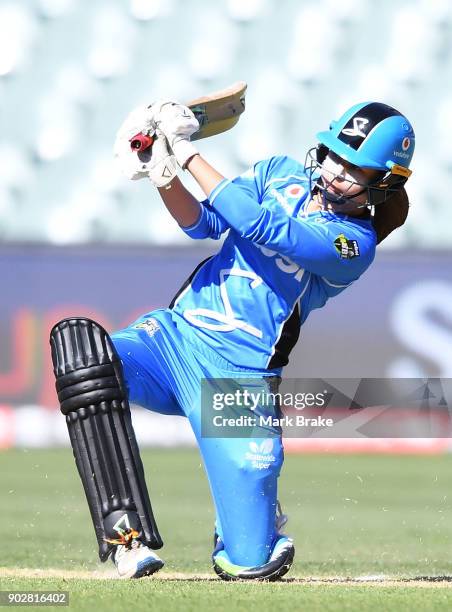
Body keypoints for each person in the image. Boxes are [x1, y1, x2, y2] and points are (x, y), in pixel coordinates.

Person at [91, 98, 417, 580]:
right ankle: (125, 536)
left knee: (250, 564)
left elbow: (267, 227)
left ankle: (250, 522)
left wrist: (184, 150)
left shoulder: (354, 245)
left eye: (354, 170)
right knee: (85, 355)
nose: (335, 173)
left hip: (240, 381)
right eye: (333, 156)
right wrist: (163, 173)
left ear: (382, 184)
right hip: (175, 340)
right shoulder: (277, 172)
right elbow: (203, 223)